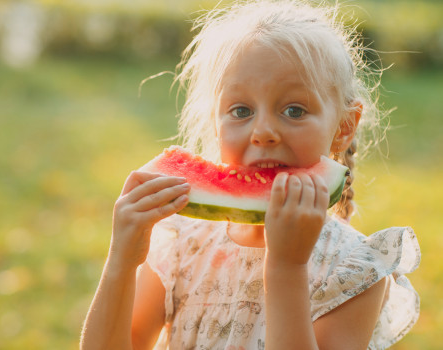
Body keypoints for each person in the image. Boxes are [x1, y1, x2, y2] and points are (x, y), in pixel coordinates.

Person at [80, 0, 420, 349]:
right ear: (215, 124)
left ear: (344, 127)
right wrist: (121, 262)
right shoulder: (181, 244)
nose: (263, 132)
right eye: (241, 110)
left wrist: (287, 268)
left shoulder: (354, 269)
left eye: (294, 110)